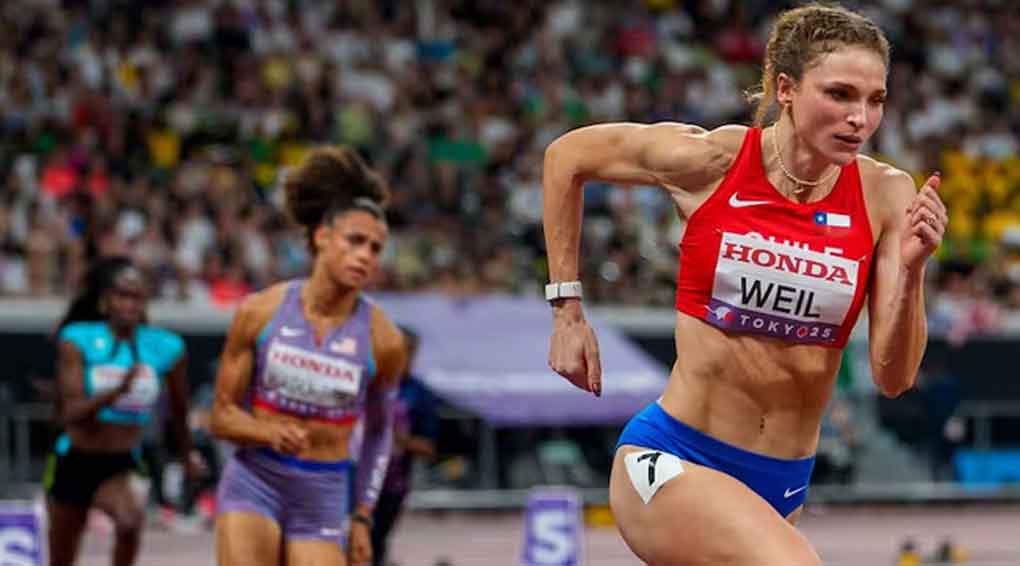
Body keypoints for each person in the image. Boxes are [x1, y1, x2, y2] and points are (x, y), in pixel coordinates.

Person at [541, 4, 947, 564]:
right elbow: (566, 157)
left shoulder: (885, 194)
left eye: (875, 100)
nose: (860, 118)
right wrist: (566, 310)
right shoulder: (714, 161)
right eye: (840, 94)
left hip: (781, 481)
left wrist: (913, 269)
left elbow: (893, 376)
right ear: (786, 88)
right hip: (676, 458)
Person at [211, 146, 406, 566]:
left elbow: (379, 434)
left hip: (323, 493)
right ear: (322, 237)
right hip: (255, 481)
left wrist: (362, 516)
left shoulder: (385, 340)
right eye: (355, 241)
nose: (365, 256)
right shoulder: (260, 312)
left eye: (376, 248)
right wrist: (266, 433)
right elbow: (221, 416)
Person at [46, 256, 194, 566]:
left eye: (136, 297)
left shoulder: (165, 346)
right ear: (105, 301)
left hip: (121, 461)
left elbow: (180, 411)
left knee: (130, 520)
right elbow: (71, 412)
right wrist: (116, 392)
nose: (129, 304)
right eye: (121, 296)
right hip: (74, 457)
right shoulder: (78, 339)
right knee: (62, 557)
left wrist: (186, 456)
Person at [370, 329, 439, 566]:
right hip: (354, 479)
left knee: (375, 541)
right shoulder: (368, 385)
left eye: (409, 352)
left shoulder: (420, 394)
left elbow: (429, 447)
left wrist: (398, 438)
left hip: (392, 486)